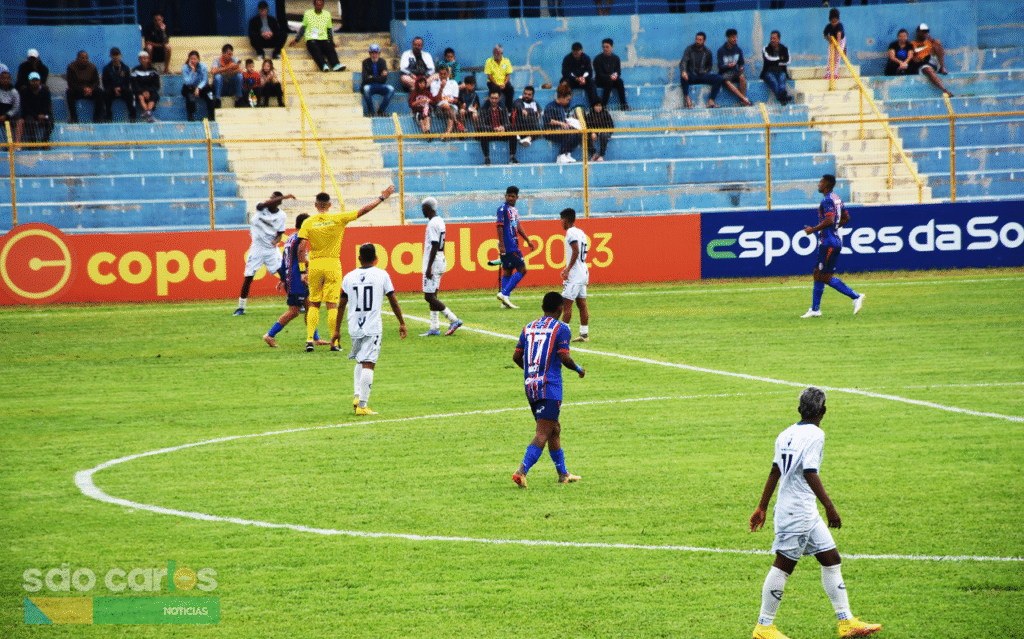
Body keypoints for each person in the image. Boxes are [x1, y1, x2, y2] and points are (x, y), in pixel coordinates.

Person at [749, 387, 882, 639]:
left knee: (831, 559)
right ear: (823, 411)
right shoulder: (816, 435)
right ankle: (763, 627)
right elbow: (810, 472)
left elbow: (775, 470)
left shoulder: (785, 433)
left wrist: (762, 506)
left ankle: (846, 621)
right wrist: (830, 507)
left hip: (801, 511)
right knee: (783, 566)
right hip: (797, 513)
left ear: (799, 409)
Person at [299, 185, 396, 352]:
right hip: (332, 264)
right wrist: (381, 198)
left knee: (314, 303)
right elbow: (363, 210)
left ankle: (309, 340)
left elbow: (301, 248)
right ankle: (334, 343)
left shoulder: (308, 222)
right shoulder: (338, 218)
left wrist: (302, 271)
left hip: (315, 265)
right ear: (329, 205)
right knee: (331, 304)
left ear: (316, 205)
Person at [511, 291, 585, 488]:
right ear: (561, 309)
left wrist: (532, 373)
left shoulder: (528, 327)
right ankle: (521, 471)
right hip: (550, 387)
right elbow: (564, 357)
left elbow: (517, 356)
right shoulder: (561, 328)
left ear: (542, 307)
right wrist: (579, 369)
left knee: (554, 429)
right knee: (543, 432)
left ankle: (563, 474)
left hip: (531, 387)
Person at [333, 243, 407, 416]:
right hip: (372, 327)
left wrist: (336, 330)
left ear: (359, 258)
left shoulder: (348, 277)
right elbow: (393, 299)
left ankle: (357, 396)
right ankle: (363, 406)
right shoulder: (382, 275)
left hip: (354, 326)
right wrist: (401, 322)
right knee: (369, 363)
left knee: (360, 360)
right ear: (376, 259)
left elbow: (341, 305)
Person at [800, 174, 865, 318]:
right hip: (832, 241)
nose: (819, 184)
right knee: (818, 273)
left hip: (829, 243)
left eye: (821, 182)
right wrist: (835, 227)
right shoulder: (837, 198)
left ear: (827, 184)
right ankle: (815, 309)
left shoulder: (828, 200)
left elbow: (829, 219)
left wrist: (812, 230)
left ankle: (855, 296)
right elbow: (846, 218)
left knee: (824, 276)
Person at [263, 213, 323, 347]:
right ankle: (270, 335)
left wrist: (283, 279)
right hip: (297, 280)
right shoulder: (300, 240)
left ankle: (316, 338)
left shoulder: (290, 238)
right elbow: (300, 260)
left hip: (293, 278)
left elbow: (285, 260)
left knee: (310, 307)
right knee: (294, 311)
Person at [233, 192, 295, 316]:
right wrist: (284, 197)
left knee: (284, 275)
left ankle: (295, 304)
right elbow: (264, 204)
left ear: (277, 202)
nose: (270, 199)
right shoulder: (261, 207)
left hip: (271, 250)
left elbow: (280, 233)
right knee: (248, 277)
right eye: (271, 197)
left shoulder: (281, 215)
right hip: (257, 248)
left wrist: (276, 241)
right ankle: (241, 307)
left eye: (273, 198)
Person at [419, 197, 463, 337]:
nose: (422, 211)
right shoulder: (439, 221)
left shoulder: (432, 223)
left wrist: (429, 267)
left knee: (429, 296)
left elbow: (434, 245)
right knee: (433, 295)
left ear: (428, 208)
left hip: (434, 263)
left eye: (423, 208)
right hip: (440, 260)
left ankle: (453, 319)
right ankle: (434, 327)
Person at [496, 185, 535, 309]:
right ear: (505, 196)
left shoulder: (514, 210)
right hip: (509, 245)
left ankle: (504, 302)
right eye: (508, 196)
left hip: (512, 243)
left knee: (507, 271)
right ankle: (504, 293)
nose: (510, 198)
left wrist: (528, 240)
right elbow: (499, 227)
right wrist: (502, 245)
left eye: (513, 196)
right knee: (522, 270)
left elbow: (517, 226)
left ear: (517, 197)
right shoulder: (502, 209)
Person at [558, 208, 590, 342]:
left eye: (561, 220)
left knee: (567, 304)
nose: (560, 223)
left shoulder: (570, 232)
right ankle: (584, 334)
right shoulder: (581, 232)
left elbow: (576, 250)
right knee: (581, 304)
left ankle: (563, 337)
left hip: (575, 274)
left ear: (565, 220)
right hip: (583, 271)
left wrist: (568, 269)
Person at [290, 0, 345, 73]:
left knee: (330, 48)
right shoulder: (308, 13)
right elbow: (303, 28)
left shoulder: (327, 14)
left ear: (323, 5)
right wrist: (297, 39)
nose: (319, 7)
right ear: (314, 5)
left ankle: (335, 64)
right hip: (312, 39)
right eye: (317, 5)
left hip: (323, 39)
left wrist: (331, 42)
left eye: (321, 5)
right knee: (315, 49)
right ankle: (323, 65)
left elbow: (329, 30)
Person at [680, 33, 723, 109]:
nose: (697, 41)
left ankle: (710, 102)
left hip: (703, 76)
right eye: (697, 39)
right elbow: (684, 61)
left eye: (700, 40)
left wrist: (706, 71)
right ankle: (688, 100)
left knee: (718, 78)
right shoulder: (689, 49)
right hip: (692, 76)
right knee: (683, 77)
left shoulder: (707, 52)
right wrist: (683, 71)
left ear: (704, 41)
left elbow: (709, 65)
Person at [910, 24, 954, 96]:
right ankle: (945, 90)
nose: (925, 33)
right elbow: (912, 57)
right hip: (923, 63)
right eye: (923, 32)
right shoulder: (913, 43)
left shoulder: (930, 42)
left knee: (938, 43)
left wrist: (933, 41)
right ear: (918, 32)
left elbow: (941, 51)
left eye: (926, 32)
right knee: (927, 69)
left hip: (932, 60)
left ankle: (943, 67)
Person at [544, 82, 583, 164]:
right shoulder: (550, 106)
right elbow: (548, 120)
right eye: (567, 99)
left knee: (578, 133)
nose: (568, 101)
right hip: (551, 132)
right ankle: (561, 155)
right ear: (562, 97)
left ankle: (567, 153)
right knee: (570, 132)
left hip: (562, 130)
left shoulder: (561, 107)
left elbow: (562, 120)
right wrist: (561, 124)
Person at [478, 89, 518, 165]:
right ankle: (487, 158)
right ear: (489, 99)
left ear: (499, 99)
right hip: (490, 133)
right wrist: (493, 129)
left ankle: (512, 158)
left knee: (513, 134)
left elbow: (508, 124)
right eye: (492, 98)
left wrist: (503, 127)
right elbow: (481, 126)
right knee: (483, 135)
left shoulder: (503, 109)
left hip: (501, 133)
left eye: (496, 98)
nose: (494, 100)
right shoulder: (483, 110)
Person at [65, 50, 106, 123]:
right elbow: (71, 83)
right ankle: (74, 118)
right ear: (78, 58)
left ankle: (97, 118)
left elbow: (96, 82)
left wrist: (91, 89)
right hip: (78, 91)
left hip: (90, 91)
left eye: (86, 58)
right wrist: (83, 89)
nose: (85, 60)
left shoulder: (92, 67)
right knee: (69, 92)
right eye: (82, 58)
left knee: (100, 92)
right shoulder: (71, 67)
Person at [718, 29, 752, 107]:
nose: (735, 39)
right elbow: (720, 66)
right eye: (733, 37)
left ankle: (743, 101)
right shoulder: (721, 50)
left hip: (735, 72)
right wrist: (727, 66)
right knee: (726, 81)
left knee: (742, 77)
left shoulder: (738, 50)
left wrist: (741, 67)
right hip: (725, 73)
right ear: (728, 38)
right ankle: (744, 98)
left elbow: (741, 62)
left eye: (736, 37)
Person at [102, 47, 137, 122]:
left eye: (117, 55)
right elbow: (105, 83)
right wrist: (114, 89)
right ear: (110, 56)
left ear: (120, 55)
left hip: (123, 90)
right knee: (105, 93)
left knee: (130, 94)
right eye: (113, 55)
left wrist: (120, 88)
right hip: (111, 90)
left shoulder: (126, 68)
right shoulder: (106, 69)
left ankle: (132, 116)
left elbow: (127, 82)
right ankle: (108, 116)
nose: (115, 57)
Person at [593, 38, 629, 110]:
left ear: (612, 47)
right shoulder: (598, 59)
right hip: (600, 80)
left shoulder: (616, 58)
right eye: (604, 47)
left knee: (620, 81)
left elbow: (618, 72)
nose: (605, 49)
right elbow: (599, 74)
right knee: (609, 82)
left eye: (607, 47)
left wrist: (615, 76)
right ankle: (603, 106)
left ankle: (624, 105)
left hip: (612, 79)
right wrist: (609, 76)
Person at [561, 42, 599, 108]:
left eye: (577, 51)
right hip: (572, 80)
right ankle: (565, 108)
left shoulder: (586, 58)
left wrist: (583, 78)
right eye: (574, 52)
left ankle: (593, 107)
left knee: (591, 83)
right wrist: (576, 79)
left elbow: (589, 72)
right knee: (564, 83)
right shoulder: (567, 59)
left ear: (581, 50)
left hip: (583, 80)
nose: (576, 54)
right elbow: (565, 73)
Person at [181, 50, 216, 121]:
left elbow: (205, 79)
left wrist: (198, 88)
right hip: (189, 88)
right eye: (191, 59)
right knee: (190, 95)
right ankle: (190, 116)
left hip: (201, 87)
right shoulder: (185, 67)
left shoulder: (203, 66)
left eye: (195, 59)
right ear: (188, 59)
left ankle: (211, 116)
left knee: (210, 95)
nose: (193, 61)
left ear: (198, 59)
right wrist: (193, 71)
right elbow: (188, 82)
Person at [19, 72, 52, 146]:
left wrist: (42, 114)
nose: (34, 82)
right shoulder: (25, 92)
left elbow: (47, 105)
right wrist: (36, 116)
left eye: (36, 80)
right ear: (29, 81)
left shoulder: (45, 92)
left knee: (50, 119)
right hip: (30, 114)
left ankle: (45, 140)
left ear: (39, 81)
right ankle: (32, 141)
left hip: (43, 114)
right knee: (29, 121)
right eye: (32, 80)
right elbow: (26, 107)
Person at [361, 43, 393, 117]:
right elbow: (365, 79)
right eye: (372, 53)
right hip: (370, 86)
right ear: (369, 53)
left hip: (380, 85)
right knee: (366, 89)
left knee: (391, 89)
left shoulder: (382, 62)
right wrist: (379, 77)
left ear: (379, 53)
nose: (374, 55)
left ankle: (381, 111)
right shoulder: (365, 62)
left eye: (376, 53)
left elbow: (384, 79)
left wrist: (371, 77)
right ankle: (371, 111)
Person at [761, 30, 792, 105]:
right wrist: (780, 59)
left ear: (779, 39)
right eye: (771, 38)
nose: (772, 40)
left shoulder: (784, 49)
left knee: (782, 79)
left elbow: (788, 61)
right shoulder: (766, 49)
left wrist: (776, 61)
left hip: (781, 71)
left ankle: (781, 97)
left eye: (774, 38)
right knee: (774, 81)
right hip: (768, 72)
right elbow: (769, 59)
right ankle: (783, 98)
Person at [430, 65, 459, 137]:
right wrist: (441, 88)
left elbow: (455, 99)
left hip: (451, 106)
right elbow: (437, 100)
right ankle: (457, 123)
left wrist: (449, 101)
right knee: (445, 105)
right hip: (439, 108)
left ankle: (447, 134)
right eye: (441, 74)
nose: (443, 76)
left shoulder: (453, 83)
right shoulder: (434, 84)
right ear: (438, 74)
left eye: (445, 74)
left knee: (450, 112)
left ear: (448, 74)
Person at [131, 51, 161, 123]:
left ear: (148, 59)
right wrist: (142, 92)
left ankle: (148, 113)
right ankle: (149, 115)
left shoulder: (153, 71)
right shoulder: (135, 70)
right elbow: (134, 84)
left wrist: (148, 91)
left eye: (145, 58)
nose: (144, 60)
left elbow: (157, 85)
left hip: (151, 91)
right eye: (142, 58)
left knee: (155, 95)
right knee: (140, 96)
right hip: (139, 92)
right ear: (139, 60)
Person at [485, 45, 515, 111]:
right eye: (495, 53)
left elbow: (508, 75)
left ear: (502, 53)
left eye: (498, 53)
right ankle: (492, 110)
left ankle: (509, 111)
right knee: (495, 90)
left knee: (510, 90)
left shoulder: (506, 61)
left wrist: (504, 83)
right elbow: (489, 76)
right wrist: (497, 84)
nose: (496, 54)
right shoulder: (489, 61)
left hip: (503, 83)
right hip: (493, 82)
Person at [0, 70, 23, 149]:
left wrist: (6, 116)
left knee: (20, 121)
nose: (5, 80)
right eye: (3, 78)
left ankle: (17, 145)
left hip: (10, 116)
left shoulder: (14, 92)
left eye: (7, 78)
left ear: (10, 80)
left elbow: (16, 107)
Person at [823, 8, 845, 81]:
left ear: (838, 20)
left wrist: (837, 45)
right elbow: (825, 35)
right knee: (830, 56)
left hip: (840, 40)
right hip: (832, 40)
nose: (834, 23)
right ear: (831, 20)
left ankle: (835, 73)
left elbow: (839, 35)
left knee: (837, 57)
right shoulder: (828, 26)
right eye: (833, 21)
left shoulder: (840, 25)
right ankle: (828, 73)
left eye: (836, 21)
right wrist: (829, 40)